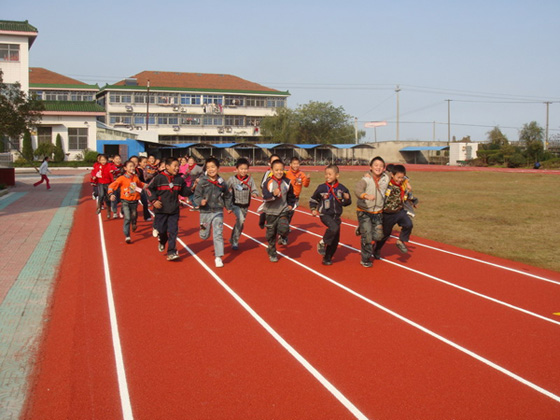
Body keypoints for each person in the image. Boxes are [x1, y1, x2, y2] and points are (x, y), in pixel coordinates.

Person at [147, 157, 192, 261]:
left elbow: (184, 192)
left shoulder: (179, 179)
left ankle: (171, 251)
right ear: (167, 167)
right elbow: (149, 189)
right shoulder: (158, 178)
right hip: (161, 210)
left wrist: (193, 188)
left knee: (173, 231)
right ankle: (162, 241)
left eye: (178, 166)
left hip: (174, 210)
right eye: (174, 166)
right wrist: (154, 201)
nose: (177, 168)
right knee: (162, 230)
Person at [192, 157, 232, 267]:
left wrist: (228, 206)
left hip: (218, 211)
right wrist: (200, 201)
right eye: (208, 167)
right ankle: (204, 231)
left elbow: (228, 195)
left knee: (218, 234)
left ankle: (218, 257)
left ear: (218, 168)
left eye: (213, 167)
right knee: (204, 235)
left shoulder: (222, 182)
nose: (211, 169)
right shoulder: (202, 182)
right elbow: (196, 196)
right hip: (205, 212)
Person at [309, 164, 352, 265]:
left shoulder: (342, 189)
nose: (327, 176)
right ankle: (322, 242)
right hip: (325, 214)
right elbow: (313, 199)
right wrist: (313, 209)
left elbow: (346, 203)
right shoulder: (321, 188)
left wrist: (347, 198)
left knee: (335, 241)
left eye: (330, 174)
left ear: (337, 175)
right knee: (333, 228)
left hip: (336, 216)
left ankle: (327, 258)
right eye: (326, 174)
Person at [354, 156, 390, 267]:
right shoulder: (366, 179)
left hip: (378, 212)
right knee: (367, 237)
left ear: (384, 168)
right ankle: (365, 258)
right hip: (364, 211)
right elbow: (357, 190)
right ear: (370, 167)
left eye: (381, 166)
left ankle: (362, 228)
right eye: (376, 165)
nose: (378, 168)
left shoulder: (386, 178)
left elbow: (398, 174)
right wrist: (365, 196)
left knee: (379, 236)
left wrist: (406, 181)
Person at [373, 164, 414, 258]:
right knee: (385, 234)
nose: (399, 179)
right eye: (398, 177)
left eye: (401, 177)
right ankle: (377, 248)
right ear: (392, 175)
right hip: (387, 214)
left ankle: (401, 241)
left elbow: (407, 190)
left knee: (408, 224)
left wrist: (413, 200)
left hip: (399, 211)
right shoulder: (387, 183)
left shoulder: (403, 183)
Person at [261, 159, 296, 262]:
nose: (279, 172)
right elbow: (264, 196)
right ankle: (272, 252)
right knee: (271, 235)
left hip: (283, 210)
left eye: (281, 170)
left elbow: (291, 195)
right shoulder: (268, 183)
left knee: (284, 227)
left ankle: (283, 236)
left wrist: (290, 204)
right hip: (270, 212)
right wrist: (273, 194)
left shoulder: (287, 182)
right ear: (272, 170)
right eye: (276, 170)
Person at [108, 160, 146, 243]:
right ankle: (127, 236)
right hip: (125, 201)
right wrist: (111, 194)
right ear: (125, 168)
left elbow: (140, 184)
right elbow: (112, 185)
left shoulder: (135, 177)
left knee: (134, 215)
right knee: (127, 217)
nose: (132, 168)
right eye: (130, 166)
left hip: (135, 201)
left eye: (133, 166)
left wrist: (147, 185)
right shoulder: (121, 178)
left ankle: (134, 223)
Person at [226, 157, 259, 250]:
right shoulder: (232, 179)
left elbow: (255, 190)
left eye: (245, 169)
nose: (244, 171)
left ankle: (233, 238)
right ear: (236, 169)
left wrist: (255, 194)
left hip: (245, 205)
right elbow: (224, 189)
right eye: (241, 169)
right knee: (241, 220)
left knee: (240, 223)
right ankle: (235, 241)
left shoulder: (250, 180)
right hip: (235, 204)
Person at [281, 156, 310, 245]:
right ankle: (283, 233)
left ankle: (284, 230)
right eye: (294, 163)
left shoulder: (302, 174)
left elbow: (305, 185)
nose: (296, 165)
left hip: (295, 198)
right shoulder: (286, 173)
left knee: (290, 214)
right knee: (285, 214)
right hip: (286, 197)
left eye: (297, 163)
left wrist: (308, 179)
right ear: (290, 164)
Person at [258, 153, 281, 229]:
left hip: (279, 197)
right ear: (270, 163)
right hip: (269, 196)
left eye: (277, 161)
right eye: (273, 161)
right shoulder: (268, 173)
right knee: (268, 211)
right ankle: (263, 218)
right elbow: (262, 184)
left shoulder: (282, 172)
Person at [91, 154, 114, 219]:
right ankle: (99, 207)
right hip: (100, 183)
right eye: (101, 160)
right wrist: (94, 176)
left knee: (107, 198)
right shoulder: (98, 166)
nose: (103, 161)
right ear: (99, 160)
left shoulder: (110, 165)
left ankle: (108, 212)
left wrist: (113, 171)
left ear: (107, 160)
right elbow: (93, 172)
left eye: (104, 160)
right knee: (101, 195)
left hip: (108, 183)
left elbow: (114, 169)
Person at [110, 154, 125, 218]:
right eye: (116, 159)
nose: (118, 160)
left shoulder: (123, 167)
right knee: (114, 198)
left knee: (123, 198)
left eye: (119, 159)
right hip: (114, 185)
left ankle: (122, 211)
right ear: (113, 160)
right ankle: (115, 212)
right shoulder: (111, 167)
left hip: (122, 185)